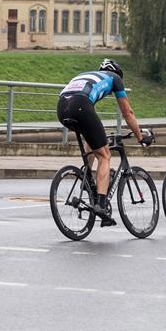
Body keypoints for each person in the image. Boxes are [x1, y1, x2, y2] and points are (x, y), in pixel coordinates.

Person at [57, 59, 148, 226]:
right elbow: (127, 112)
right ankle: (101, 204)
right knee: (105, 155)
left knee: (92, 140)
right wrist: (140, 136)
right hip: (80, 105)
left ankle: (87, 180)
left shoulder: (87, 75)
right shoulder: (115, 78)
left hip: (62, 107)